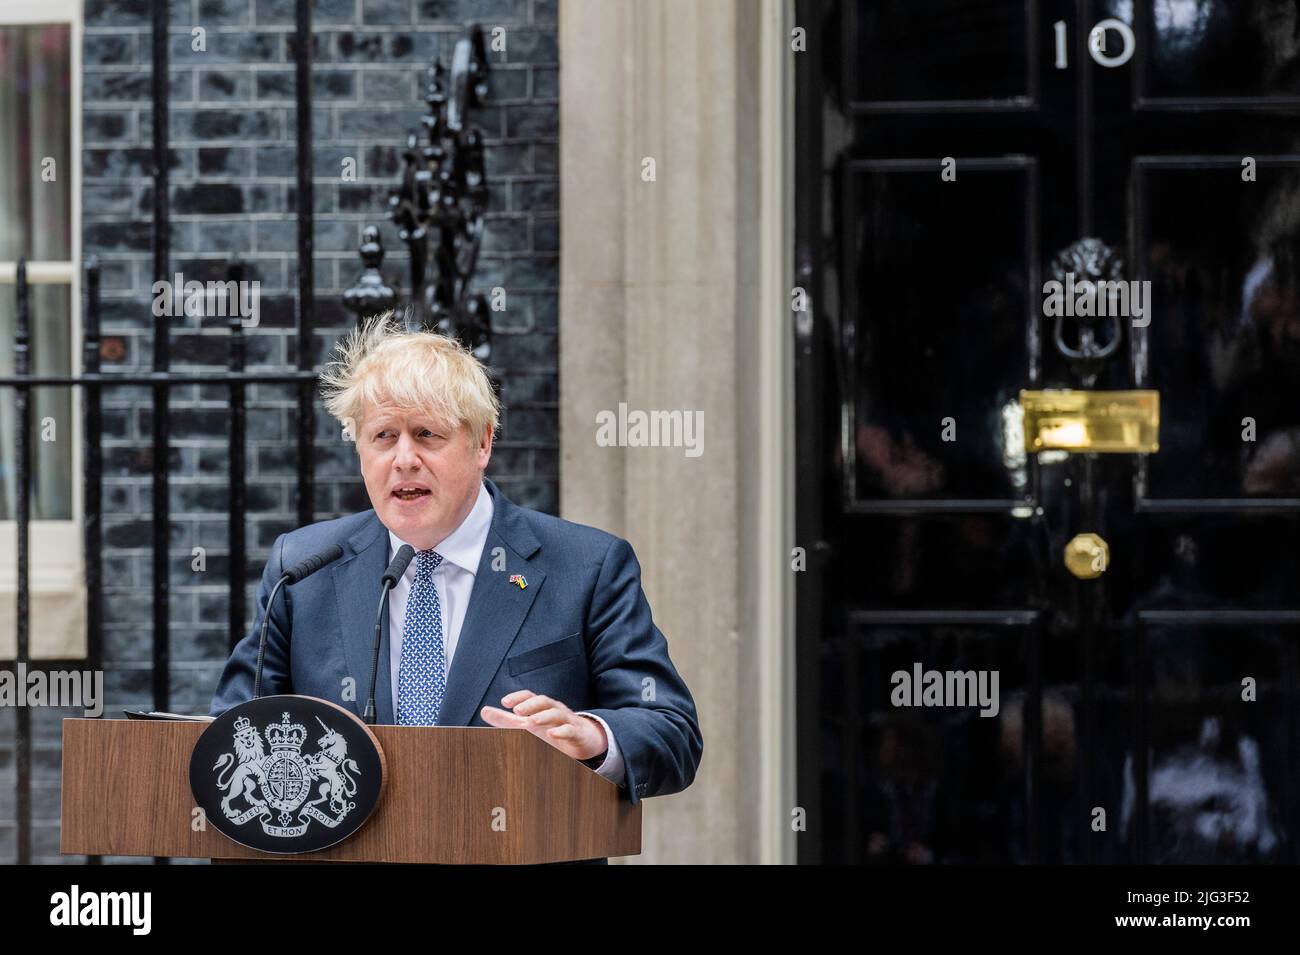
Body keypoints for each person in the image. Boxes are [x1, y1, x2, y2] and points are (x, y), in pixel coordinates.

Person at [209, 314, 702, 834]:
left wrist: (593, 735)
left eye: (427, 434)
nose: (404, 460)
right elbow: (234, 730)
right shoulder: (302, 568)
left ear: (482, 443)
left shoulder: (587, 565)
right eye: (383, 436)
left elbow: (671, 731)